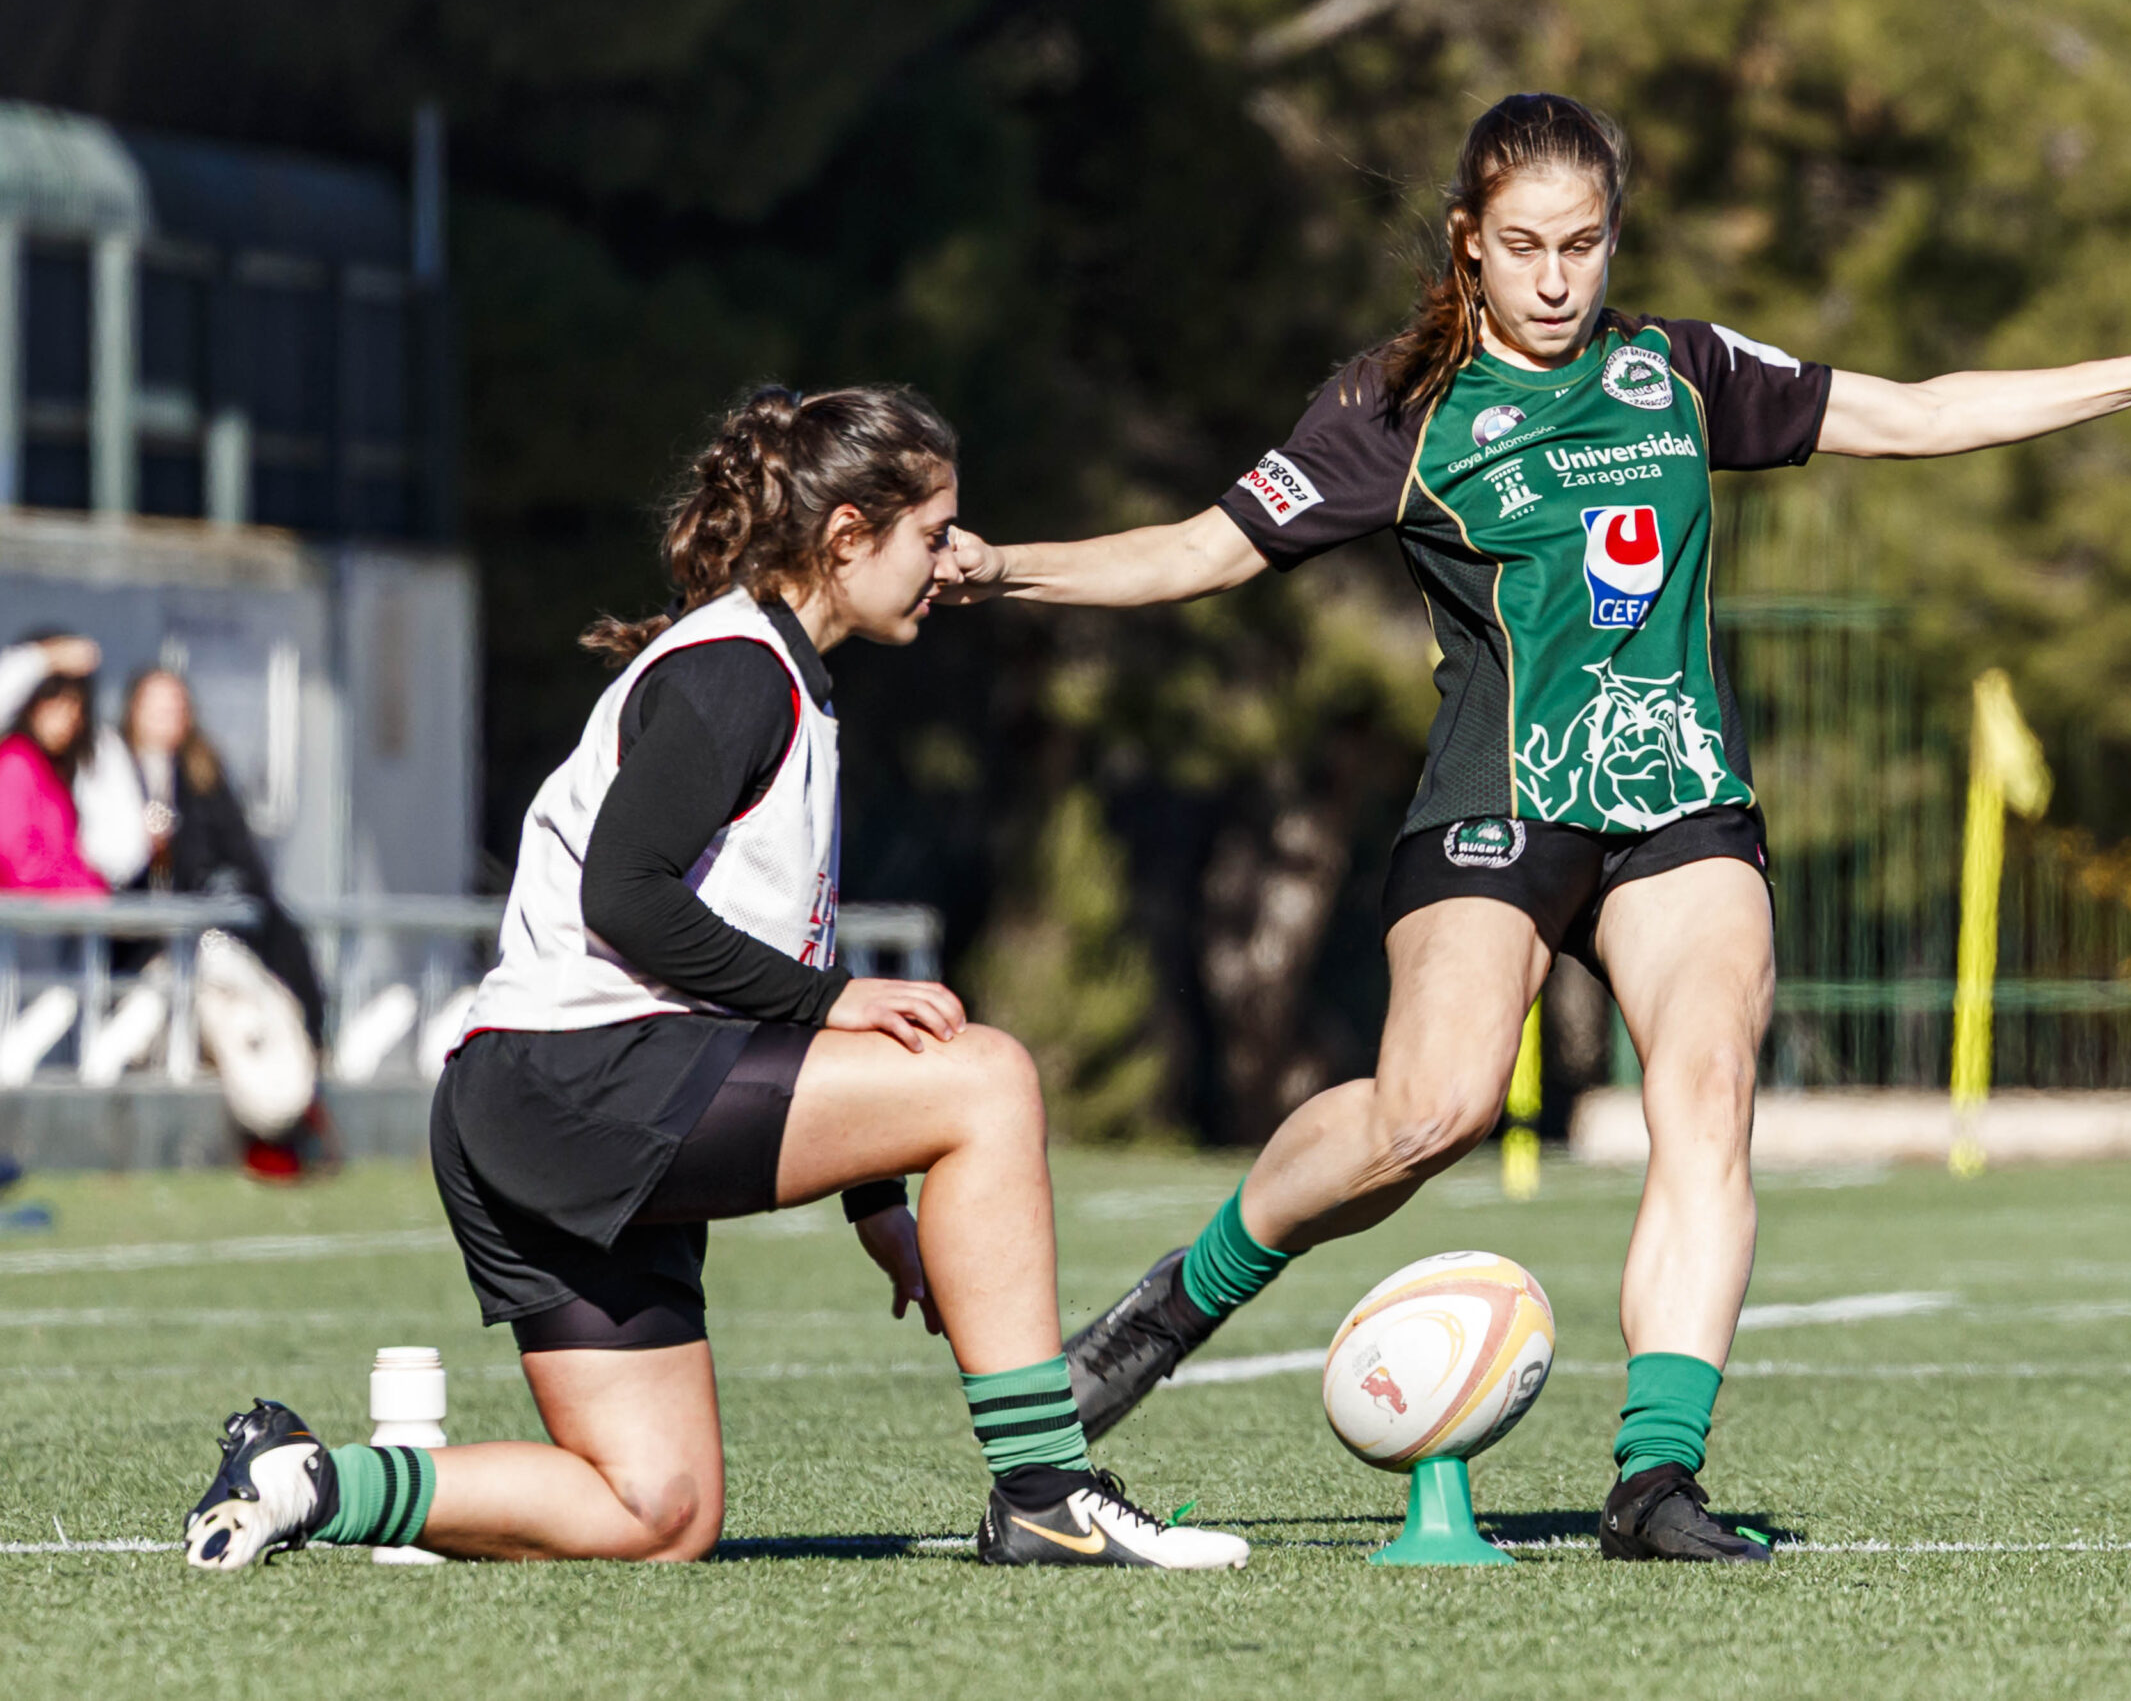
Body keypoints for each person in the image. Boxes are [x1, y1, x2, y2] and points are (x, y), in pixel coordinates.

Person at [948, 93, 2131, 1562]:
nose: (1557, 277)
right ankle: (1166, 1309)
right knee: (1424, 1113)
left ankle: (1654, 1481)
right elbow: (1199, 550)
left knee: (1707, 1087)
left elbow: (1917, 410)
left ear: (1614, 238)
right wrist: (1002, 570)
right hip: (1500, 799)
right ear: (1468, 246)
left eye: (1583, 244)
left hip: (1682, 801)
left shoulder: (1681, 370)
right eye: (1523, 247)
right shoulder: (1395, 405)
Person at [182, 385, 1248, 1572]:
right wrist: (837, 1004)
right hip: (574, 1085)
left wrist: (877, 1203)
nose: (951, 563)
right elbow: (625, 897)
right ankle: (1048, 1493)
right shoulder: (739, 673)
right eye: (933, 534)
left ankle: (308, 1480)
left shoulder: (780, 675)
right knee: (985, 1077)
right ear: (848, 536)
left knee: (659, 1516)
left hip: (537, 1107)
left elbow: (768, 969)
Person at [122, 668, 338, 1180]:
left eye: (175, 706)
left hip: (220, 937)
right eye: (156, 707)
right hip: (144, 943)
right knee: (224, 1004)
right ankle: (274, 1124)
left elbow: (244, 867)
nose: (168, 718)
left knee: (268, 989)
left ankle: (288, 1116)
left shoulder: (204, 775)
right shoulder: (116, 774)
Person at [0, 633, 149, 890]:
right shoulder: (16, 762)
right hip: (29, 919)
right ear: (32, 705)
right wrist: (45, 658)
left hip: (60, 915)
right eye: (56, 704)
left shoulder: (55, 771)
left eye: (76, 707)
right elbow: (23, 862)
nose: (68, 718)